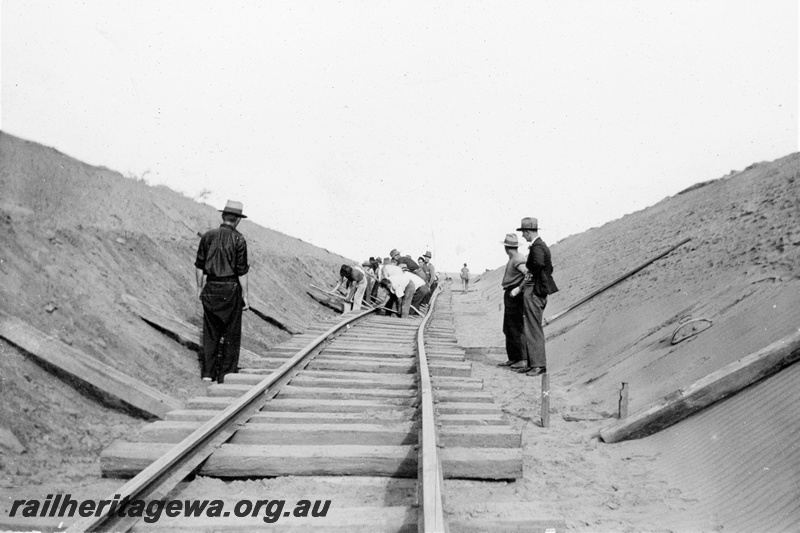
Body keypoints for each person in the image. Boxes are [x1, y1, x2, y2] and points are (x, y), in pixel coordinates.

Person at [194, 200, 251, 384]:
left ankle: (208, 374)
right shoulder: (239, 240)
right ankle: (226, 374)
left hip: (211, 287)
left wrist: (199, 288)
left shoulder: (207, 237)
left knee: (210, 333)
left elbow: (200, 267)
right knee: (231, 333)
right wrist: (246, 295)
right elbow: (241, 272)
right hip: (230, 289)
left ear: (223, 216)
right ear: (238, 220)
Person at [512, 217, 559, 376]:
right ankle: (534, 364)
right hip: (537, 290)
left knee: (533, 328)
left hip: (535, 292)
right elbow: (549, 268)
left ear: (527, 232)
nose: (523, 237)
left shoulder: (537, 247)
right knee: (531, 327)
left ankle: (538, 365)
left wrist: (532, 277)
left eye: (524, 233)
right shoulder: (542, 246)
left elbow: (538, 266)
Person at [497, 234, 528, 369]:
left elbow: (527, 274)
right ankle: (514, 358)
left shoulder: (518, 259)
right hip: (510, 295)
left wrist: (519, 289)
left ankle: (522, 359)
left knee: (516, 327)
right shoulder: (514, 258)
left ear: (506, 248)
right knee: (508, 328)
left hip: (515, 296)